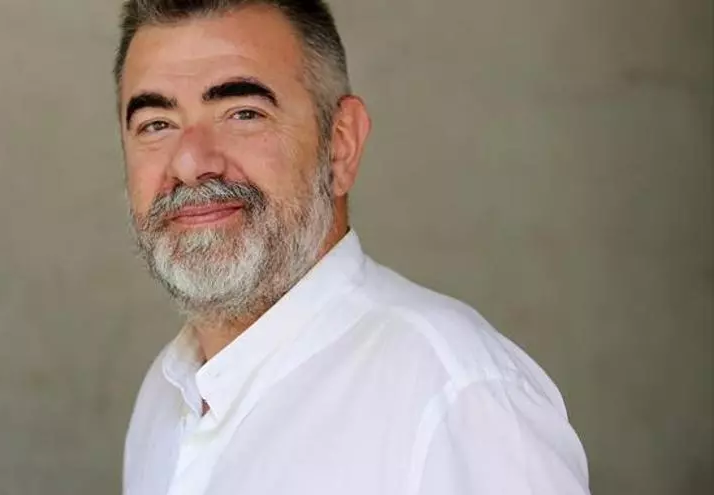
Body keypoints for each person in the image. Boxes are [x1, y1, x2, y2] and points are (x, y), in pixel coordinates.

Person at [113, 1, 591, 494]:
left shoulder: (457, 398)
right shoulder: (164, 397)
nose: (191, 164)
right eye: (156, 124)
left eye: (244, 114)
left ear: (340, 144)